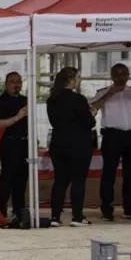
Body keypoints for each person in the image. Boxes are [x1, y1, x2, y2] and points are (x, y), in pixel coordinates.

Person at [93, 63, 131, 222]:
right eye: (116, 74)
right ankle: (107, 210)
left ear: (128, 75)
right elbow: (92, 108)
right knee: (109, 173)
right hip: (112, 136)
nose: (120, 77)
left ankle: (130, 210)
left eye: (123, 74)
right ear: (111, 76)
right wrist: (109, 94)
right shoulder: (103, 92)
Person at [46, 66, 96, 228]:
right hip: (78, 144)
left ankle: (55, 216)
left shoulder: (51, 100)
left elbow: (54, 121)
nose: (79, 81)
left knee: (60, 180)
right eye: (78, 78)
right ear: (71, 79)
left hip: (58, 143)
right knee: (78, 180)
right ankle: (77, 216)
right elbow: (89, 123)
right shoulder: (79, 99)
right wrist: (92, 114)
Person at [0, 71, 30, 228]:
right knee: (7, 177)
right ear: (6, 84)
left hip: (24, 143)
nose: (16, 84)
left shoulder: (26, 100)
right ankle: (0, 211)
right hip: (9, 143)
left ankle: (19, 213)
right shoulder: (0, 102)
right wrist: (17, 117)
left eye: (19, 81)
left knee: (21, 179)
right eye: (12, 81)